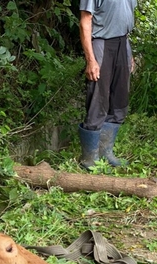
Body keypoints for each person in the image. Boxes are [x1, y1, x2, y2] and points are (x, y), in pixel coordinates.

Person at [78, 0, 137, 169]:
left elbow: (124, 18)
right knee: (98, 99)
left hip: (122, 43)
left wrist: (128, 51)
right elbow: (85, 21)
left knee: (119, 101)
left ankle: (106, 153)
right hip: (102, 43)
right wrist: (90, 60)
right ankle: (89, 159)